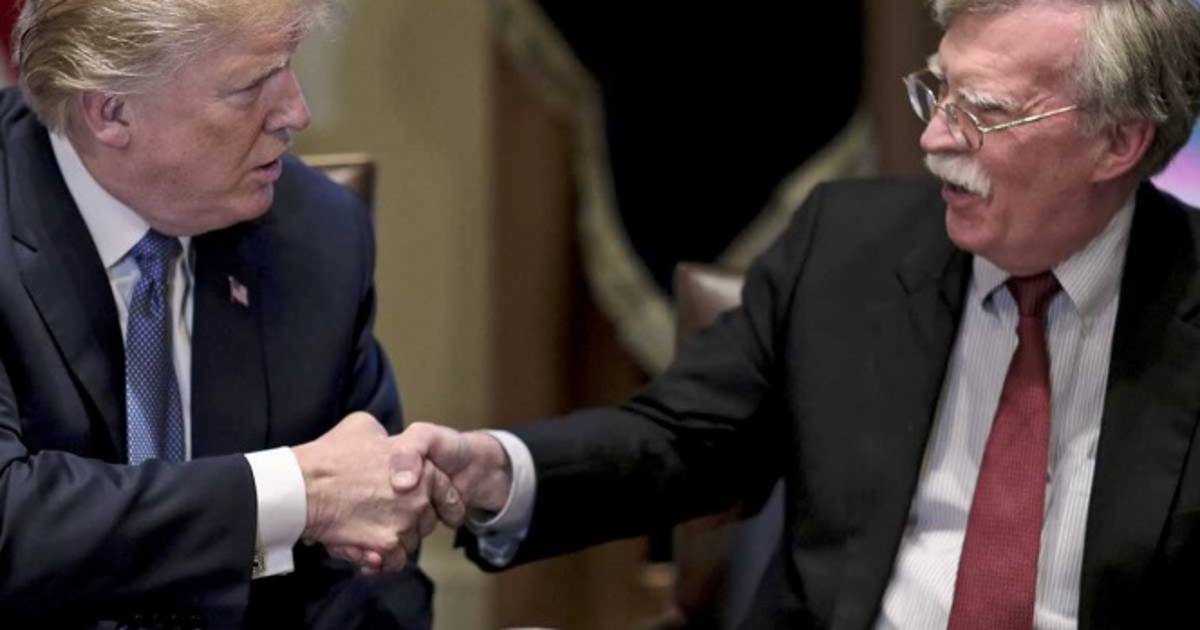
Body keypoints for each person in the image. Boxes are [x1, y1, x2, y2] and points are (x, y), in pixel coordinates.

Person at [393, 0, 1200, 627]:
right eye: (937, 91)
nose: (936, 140)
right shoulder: (849, 248)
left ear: (1119, 141)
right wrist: (498, 469)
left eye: (984, 113)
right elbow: (682, 440)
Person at [0, 0, 457, 627]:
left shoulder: (319, 235)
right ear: (111, 111)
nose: (297, 113)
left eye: (291, 66)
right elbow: (12, 523)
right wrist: (297, 493)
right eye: (250, 87)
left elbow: (366, 559)